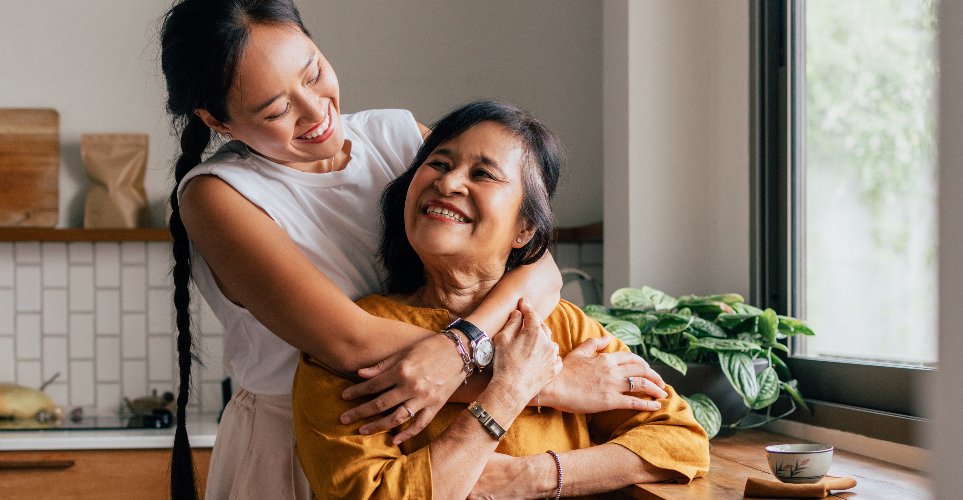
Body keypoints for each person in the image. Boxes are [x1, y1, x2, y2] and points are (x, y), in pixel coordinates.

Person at [157, 1, 669, 498]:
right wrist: (540, 385)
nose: (316, 112)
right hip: (298, 446)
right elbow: (349, 345)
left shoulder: (397, 137)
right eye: (277, 109)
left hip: (428, 433)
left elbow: (538, 267)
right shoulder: (216, 195)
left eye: (313, 73)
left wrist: (460, 348)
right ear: (218, 120)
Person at [293, 100, 710, 499]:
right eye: (438, 163)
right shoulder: (348, 343)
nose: (449, 182)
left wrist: (533, 476)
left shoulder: (562, 326)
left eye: (484, 174)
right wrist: (508, 391)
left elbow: (680, 440)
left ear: (524, 229)